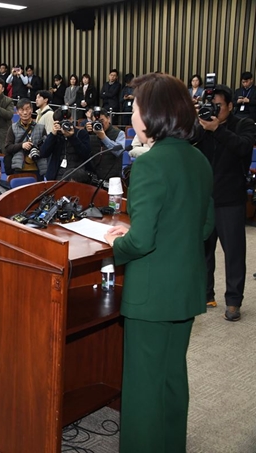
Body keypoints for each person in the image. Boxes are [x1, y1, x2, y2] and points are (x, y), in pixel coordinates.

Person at [103, 73, 214, 453]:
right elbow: (205, 226)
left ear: (152, 114)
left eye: (134, 107)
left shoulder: (151, 164)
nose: (131, 113)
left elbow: (142, 239)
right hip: (185, 289)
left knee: (143, 387)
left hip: (151, 296)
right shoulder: (198, 159)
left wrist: (114, 246)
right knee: (171, 377)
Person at [195, 84, 256, 321]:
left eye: (218, 106)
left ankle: (233, 301)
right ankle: (205, 293)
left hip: (230, 199)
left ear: (230, 106)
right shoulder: (201, 125)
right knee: (203, 252)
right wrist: (198, 122)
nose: (214, 109)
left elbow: (242, 148)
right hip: (204, 199)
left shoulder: (244, 124)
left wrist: (217, 128)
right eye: (210, 105)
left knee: (233, 253)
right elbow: (187, 143)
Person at [38, 106, 91, 182]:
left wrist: (72, 137)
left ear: (71, 119)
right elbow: (43, 153)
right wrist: (53, 135)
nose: (64, 125)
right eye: (61, 122)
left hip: (77, 177)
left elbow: (86, 154)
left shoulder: (81, 133)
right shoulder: (55, 136)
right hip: (57, 177)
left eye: (67, 121)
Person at [4, 98, 47, 175]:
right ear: (17, 111)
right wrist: (21, 145)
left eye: (27, 109)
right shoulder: (13, 128)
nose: (25, 112)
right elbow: (8, 147)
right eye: (21, 110)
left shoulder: (41, 128)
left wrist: (37, 148)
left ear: (32, 110)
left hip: (37, 168)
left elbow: (46, 148)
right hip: (19, 168)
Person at [84, 109, 126, 181]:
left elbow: (119, 152)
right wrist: (85, 132)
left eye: (102, 121)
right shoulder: (90, 133)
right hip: (93, 177)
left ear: (108, 119)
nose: (100, 124)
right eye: (96, 121)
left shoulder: (119, 133)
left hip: (112, 178)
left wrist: (103, 137)